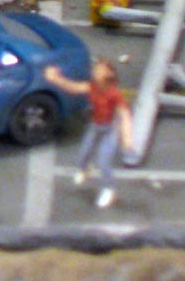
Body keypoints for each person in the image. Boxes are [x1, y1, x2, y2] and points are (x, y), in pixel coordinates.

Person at [43, 59, 135, 209]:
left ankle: (109, 189)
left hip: (109, 130)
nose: (95, 71)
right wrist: (56, 78)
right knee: (84, 153)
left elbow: (124, 116)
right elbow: (73, 88)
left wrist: (127, 139)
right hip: (95, 126)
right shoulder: (91, 86)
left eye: (99, 69)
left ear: (109, 74)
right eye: (95, 69)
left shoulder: (114, 94)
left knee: (103, 161)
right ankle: (84, 169)